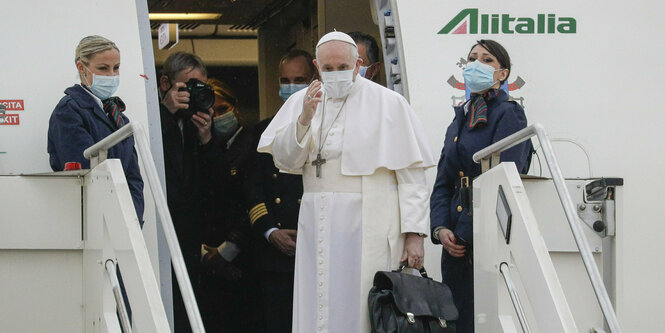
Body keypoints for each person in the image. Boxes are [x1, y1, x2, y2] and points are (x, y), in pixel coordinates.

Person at [258, 31, 435, 333]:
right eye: (328, 68)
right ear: (317, 66)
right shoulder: (304, 100)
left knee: (363, 306)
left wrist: (415, 234)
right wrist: (303, 119)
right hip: (317, 220)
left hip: (370, 220)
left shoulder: (389, 103)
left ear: (358, 65)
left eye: (343, 67)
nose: (336, 74)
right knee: (319, 301)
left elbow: (412, 177)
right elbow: (285, 161)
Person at [429, 39, 533, 333]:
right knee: (456, 322)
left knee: (483, 322)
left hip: (486, 240)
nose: (477, 64)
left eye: (487, 60)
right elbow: (443, 182)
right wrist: (441, 229)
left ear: (503, 74)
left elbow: (501, 177)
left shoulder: (508, 113)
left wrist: (462, 232)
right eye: (472, 58)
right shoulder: (460, 116)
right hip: (455, 246)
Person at [246, 49, 316, 333]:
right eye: (285, 80)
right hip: (274, 253)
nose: (291, 86)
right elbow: (252, 188)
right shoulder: (265, 130)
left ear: (313, 81)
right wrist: (270, 231)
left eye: (299, 79)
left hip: (314, 247)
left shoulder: (326, 127)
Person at [48, 35, 144, 223]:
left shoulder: (119, 116)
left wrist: (133, 220)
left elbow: (133, 178)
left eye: (116, 68)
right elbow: (86, 173)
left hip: (122, 223)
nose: (111, 75)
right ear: (81, 68)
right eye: (103, 68)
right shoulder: (69, 110)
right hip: (91, 222)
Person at [157, 51, 217, 333]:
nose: (194, 96)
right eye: (188, 87)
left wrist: (207, 139)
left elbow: (215, 183)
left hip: (191, 235)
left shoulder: (197, 124)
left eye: (201, 88)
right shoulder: (153, 117)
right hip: (159, 230)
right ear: (164, 84)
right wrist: (166, 113)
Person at [197, 78, 259, 332]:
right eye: (210, 113)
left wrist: (227, 250)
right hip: (208, 255)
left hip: (243, 255)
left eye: (222, 110)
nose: (217, 117)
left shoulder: (253, 144)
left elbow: (252, 201)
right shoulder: (204, 146)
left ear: (235, 108)